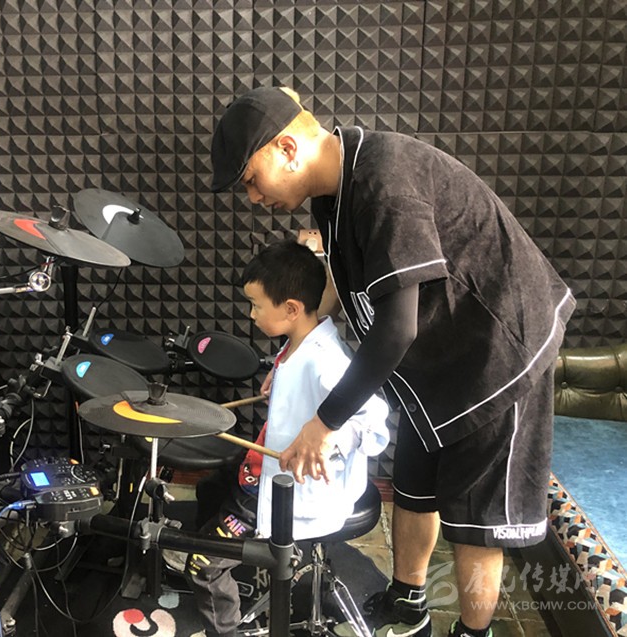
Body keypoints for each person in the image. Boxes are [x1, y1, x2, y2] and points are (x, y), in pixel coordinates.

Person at [210, 87, 575, 637]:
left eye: (250, 180)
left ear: (286, 149)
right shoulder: (333, 195)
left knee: (475, 523)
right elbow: (337, 290)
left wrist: (323, 424)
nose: (255, 197)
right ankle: (409, 603)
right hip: (439, 364)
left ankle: (472, 633)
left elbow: (396, 330)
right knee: (413, 486)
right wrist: (291, 356)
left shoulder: (384, 183)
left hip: (500, 359)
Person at [185, 239, 390, 637]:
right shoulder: (299, 343)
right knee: (210, 488)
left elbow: (375, 423)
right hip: (260, 473)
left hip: (284, 491)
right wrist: (279, 375)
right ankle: (235, 556)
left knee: (203, 566)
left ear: (292, 309)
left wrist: (330, 441)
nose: (252, 314)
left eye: (257, 305)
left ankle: (224, 629)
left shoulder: (324, 361)